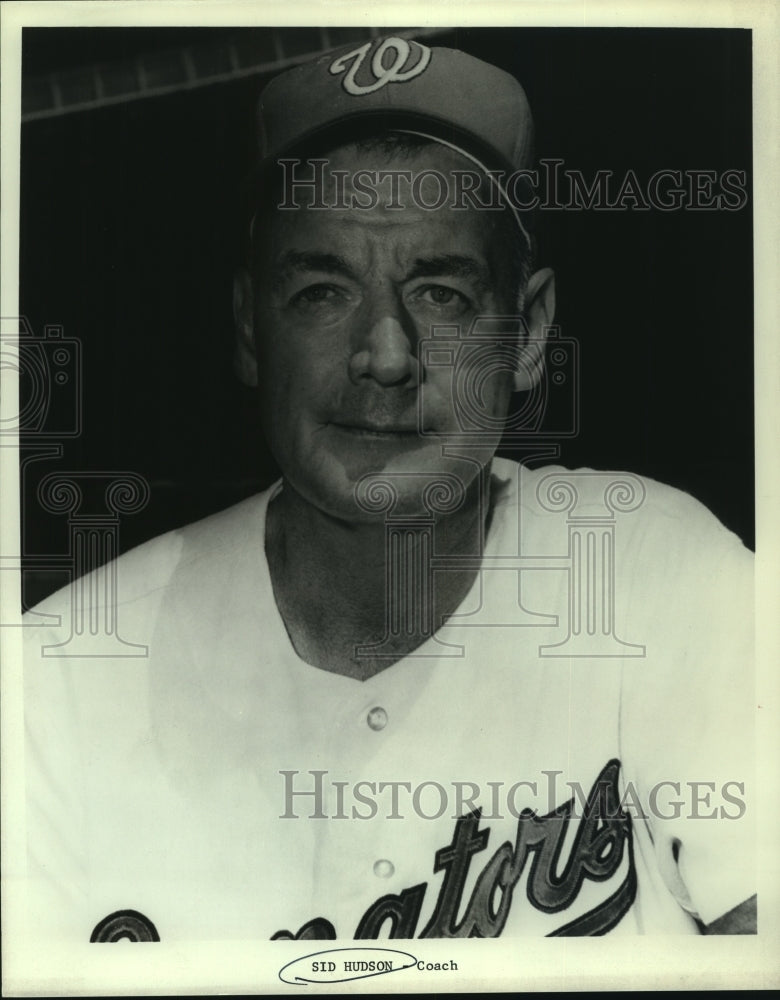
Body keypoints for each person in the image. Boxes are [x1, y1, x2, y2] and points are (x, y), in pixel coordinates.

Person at [22, 35, 755, 942]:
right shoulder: (52, 683)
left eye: (442, 293)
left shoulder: (659, 581)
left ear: (525, 333)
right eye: (324, 292)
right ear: (250, 327)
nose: (387, 354)